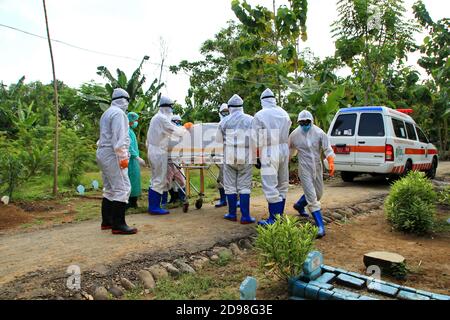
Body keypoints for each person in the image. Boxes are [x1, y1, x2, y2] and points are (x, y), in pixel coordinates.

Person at [96, 88, 137, 235]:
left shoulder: (107, 113)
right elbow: (119, 140)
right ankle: (119, 224)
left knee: (109, 188)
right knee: (123, 187)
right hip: (113, 154)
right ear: (125, 100)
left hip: (103, 152)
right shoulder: (119, 114)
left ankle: (107, 221)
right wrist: (123, 158)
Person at [288, 110, 335, 238]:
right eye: (301, 122)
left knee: (318, 193)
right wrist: (284, 163)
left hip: (317, 167)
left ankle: (299, 205)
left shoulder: (320, 133)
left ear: (311, 121)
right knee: (312, 198)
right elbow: (289, 151)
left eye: (307, 122)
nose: (304, 124)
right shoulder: (294, 135)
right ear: (298, 122)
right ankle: (320, 226)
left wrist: (331, 162)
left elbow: (328, 149)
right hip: (304, 168)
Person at [252, 89, 292, 226]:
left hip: (269, 150)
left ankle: (273, 220)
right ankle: (279, 217)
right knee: (283, 183)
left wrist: (257, 156)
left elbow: (257, 138)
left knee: (270, 185)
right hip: (283, 149)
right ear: (274, 99)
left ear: (262, 101)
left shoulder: (260, 115)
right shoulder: (284, 113)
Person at [146, 96, 192, 215]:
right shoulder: (161, 118)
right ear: (167, 108)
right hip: (158, 151)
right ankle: (154, 207)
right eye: (171, 107)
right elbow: (174, 131)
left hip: (155, 150)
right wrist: (186, 129)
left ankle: (154, 206)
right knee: (158, 179)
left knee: (157, 178)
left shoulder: (156, 118)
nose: (172, 110)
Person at [216, 94, 255, 224]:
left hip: (230, 155)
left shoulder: (224, 121)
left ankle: (231, 214)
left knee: (230, 186)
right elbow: (257, 138)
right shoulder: (251, 120)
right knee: (244, 186)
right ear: (242, 106)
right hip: (246, 154)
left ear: (230, 107)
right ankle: (245, 216)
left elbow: (218, 140)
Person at [162, 114, 187, 208]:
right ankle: (164, 202)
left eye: (179, 122)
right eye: (177, 122)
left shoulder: (181, 134)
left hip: (178, 161)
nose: (178, 124)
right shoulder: (166, 134)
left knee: (181, 180)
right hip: (168, 161)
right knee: (166, 181)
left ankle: (182, 198)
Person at [127, 112, 146, 209]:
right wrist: (136, 157)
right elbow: (129, 147)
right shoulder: (127, 131)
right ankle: (130, 202)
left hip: (133, 160)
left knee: (134, 180)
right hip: (130, 160)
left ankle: (133, 202)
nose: (136, 122)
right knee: (130, 180)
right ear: (130, 120)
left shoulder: (130, 131)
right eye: (135, 120)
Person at [215, 103, 229, 208]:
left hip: (233, 155)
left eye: (227, 111)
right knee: (221, 178)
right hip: (222, 155)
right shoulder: (218, 125)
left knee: (235, 180)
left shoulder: (235, 122)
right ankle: (223, 199)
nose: (225, 114)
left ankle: (236, 200)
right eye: (223, 112)